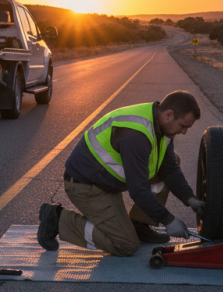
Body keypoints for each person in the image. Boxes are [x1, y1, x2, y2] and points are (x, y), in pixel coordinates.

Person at [37, 90, 206, 256]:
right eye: (183, 126)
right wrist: (169, 221)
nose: (184, 132)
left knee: (172, 159)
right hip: (87, 187)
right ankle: (57, 219)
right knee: (126, 244)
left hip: (106, 181)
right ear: (169, 114)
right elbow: (138, 190)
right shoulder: (136, 135)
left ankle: (140, 223)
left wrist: (190, 199)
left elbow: (169, 168)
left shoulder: (160, 123)